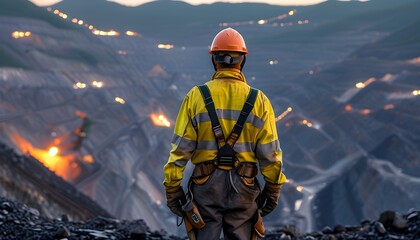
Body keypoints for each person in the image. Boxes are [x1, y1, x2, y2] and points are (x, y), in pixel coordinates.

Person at [163, 27, 286, 240]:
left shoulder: (196, 97)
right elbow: (271, 155)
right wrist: (273, 188)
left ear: (214, 59)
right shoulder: (260, 101)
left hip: (205, 187)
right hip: (245, 189)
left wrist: (172, 187)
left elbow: (180, 150)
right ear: (242, 60)